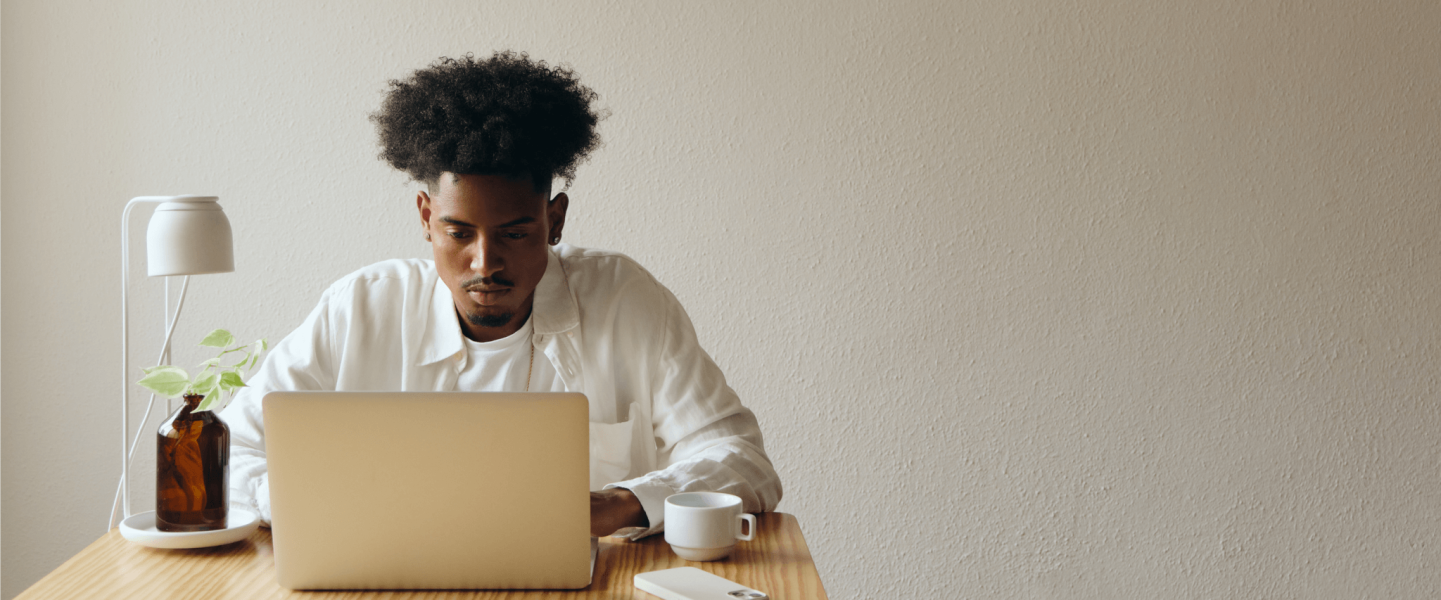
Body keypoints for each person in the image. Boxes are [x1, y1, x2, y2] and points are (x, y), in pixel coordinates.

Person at [221, 52, 782, 539]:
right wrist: (322, 504)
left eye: (514, 233)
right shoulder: (360, 309)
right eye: (459, 233)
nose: (484, 263)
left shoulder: (625, 301)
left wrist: (619, 504)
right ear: (426, 218)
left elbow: (742, 460)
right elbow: (229, 455)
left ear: (554, 220)